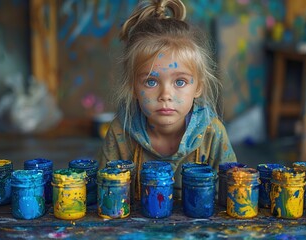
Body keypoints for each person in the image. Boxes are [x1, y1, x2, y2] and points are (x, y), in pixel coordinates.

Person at [97, 0, 237, 199]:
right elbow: (105, 193)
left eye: (180, 82)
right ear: (133, 88)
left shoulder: (212, 133)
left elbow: (234, 192)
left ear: (198, 87)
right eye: (151, 82)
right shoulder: (121, 132)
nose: (165, 95)